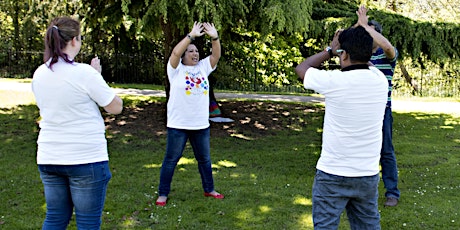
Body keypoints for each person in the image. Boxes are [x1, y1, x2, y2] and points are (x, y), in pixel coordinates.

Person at [32, 16, 123, 229]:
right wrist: (97, 77)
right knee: (88, 222)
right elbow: (115, 106)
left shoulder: (40, 73)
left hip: (49, 156)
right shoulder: (84, 73)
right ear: (74, 41)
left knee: (55, 217)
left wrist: (94, 77)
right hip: (85, 158)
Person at [295, 26, 388, 229]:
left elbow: (302, 69)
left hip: (332, 174)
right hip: (367, 173)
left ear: (343, 54)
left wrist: (329, 50)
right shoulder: (380, 80)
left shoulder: (334, 81)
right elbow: (365, 63)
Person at [155, 21, 223, 206]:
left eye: (196, 51)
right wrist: (191, 36)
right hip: (178, 125)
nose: (195, 53)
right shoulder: (175, 70)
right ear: (184, 55)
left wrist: (214, 37)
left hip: (200, 125)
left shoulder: (203, 67)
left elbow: (216, 55)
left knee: (205, 160)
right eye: (191, 51)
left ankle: (209, 189)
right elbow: (175, 53)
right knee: (171, 160)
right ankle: (163, 194)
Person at [356, 6, 401, 207]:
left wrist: (367, 27)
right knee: (359, 149)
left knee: (386, 151)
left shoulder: (387, 53)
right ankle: (359, 192)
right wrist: (360, 24)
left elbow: (389, 48)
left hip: (382, 111)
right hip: (360, 110)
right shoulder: (358, 55)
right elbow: (346, 40)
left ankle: (392, 193)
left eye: (369, 32)